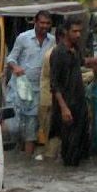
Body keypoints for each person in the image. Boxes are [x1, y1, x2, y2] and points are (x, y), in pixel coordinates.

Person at [50, 16, 97, 167]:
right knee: (70, 149)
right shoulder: (58, 53)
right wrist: (64, 108)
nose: (78, 35)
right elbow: (54, 84)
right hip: (67, 108)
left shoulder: (75, 49)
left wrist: (94, 62)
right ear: (65, 31)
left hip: (79, 105)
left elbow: (80, 62)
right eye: (74, 31)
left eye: (80, 31)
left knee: (82, 148)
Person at [6, 10, 55, 156]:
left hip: (37, 91)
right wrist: (15, 67)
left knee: (31, 131)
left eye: (47, 23)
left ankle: (27, 161)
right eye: (42, 23)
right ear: (35, 22)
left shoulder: (52, 41)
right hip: (18, 89)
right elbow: (10, 59)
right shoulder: (23, 38)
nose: (44, 26)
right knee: (12, 127)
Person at [38, 26, 65, 160]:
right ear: (61, 38)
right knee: (52, 140)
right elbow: (62, 78)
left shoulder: (63, 53)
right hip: (50, 101)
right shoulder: (53, 55)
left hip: (53, 100)